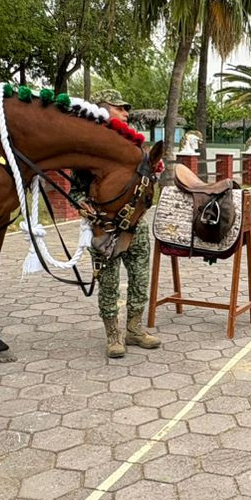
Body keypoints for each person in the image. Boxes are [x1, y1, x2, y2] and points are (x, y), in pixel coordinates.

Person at [84, 88, 162, 359]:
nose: (126, 113)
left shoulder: (134, 144)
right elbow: (75, 185)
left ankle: (134, 329)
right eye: (119, 107)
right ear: (102, 109)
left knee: (140, 277)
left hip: (136, 225)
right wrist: (81, 202)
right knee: (108, 281)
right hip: (105, 226)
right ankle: (112, 335)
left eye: (126, 108)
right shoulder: (89, 145)